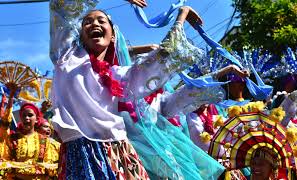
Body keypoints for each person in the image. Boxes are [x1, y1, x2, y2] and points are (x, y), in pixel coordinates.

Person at [50, 0, 227, 179]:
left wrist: (182, 15)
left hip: (118, 154)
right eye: (87, 21)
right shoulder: (65, 55)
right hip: (77, 153)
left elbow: (162, 56)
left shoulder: (119, 75)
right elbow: (60, 7)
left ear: (113, 36)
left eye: (101, 21)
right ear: (80, 35)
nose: (94, 23)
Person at [9, 103, 60, 179]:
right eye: (23, 115)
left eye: (30, 115)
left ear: (36, 119)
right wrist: (10, 99)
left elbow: (50, 169)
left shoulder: (45, 141)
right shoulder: (14, 139)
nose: (26, 118)